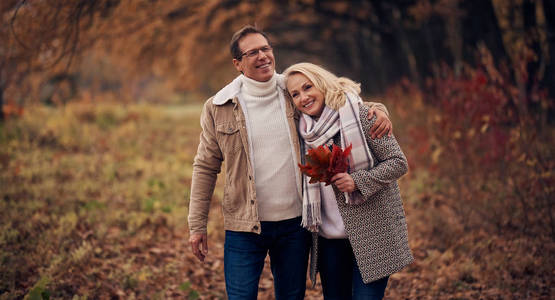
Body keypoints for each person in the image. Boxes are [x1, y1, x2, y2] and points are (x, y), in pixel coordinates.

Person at [187, 25, 392, 300]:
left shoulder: (293, 92)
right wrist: (196, 225)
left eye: (265, 49)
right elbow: (205, 166)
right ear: (237, 63)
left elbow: (344, 102)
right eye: (252, 53)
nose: (262, 56)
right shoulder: (219, 106)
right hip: (244, 227)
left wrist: (380, 110)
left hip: (296, 225)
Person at [283, 62, 414, 300]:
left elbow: (398, 162)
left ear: (321, 83)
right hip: (329, 241)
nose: (303, 97)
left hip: (372, 233)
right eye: (295, 94)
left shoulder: (361, 114)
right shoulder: (300, 132)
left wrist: (358, 181)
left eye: (307, 87)